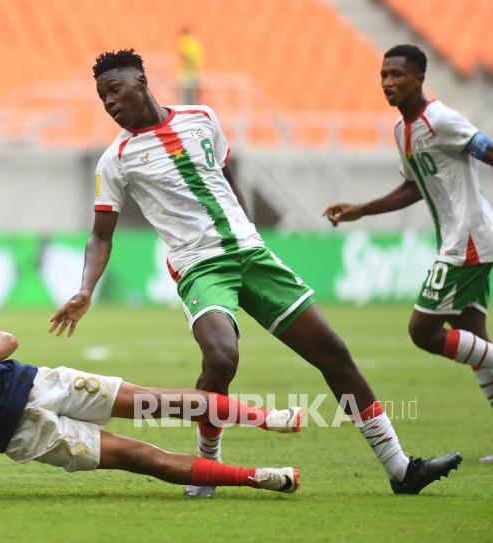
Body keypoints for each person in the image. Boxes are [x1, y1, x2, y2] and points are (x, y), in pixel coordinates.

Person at [48, 48, 462, 496]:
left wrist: (252, 236)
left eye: (115, 90)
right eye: (102, 97)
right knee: (222, 359)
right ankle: (207, 467)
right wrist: (86, 287)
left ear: (142, 83)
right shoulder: (116, 160)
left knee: (333, 353)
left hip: (252, 255)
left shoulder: (201, 117)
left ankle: (401, 469)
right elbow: (101, 235)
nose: (109, 103)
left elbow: (225, 177)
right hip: (200, 266)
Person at [0, 257, 306, 500]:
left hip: (41, 383)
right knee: (141, 457)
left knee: (153, 400)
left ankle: (270, 418)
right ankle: (259, 478)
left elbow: (5, 338)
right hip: (24, 435)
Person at [323, 45, 493, 461]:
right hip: (456, 240)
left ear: (418, 79)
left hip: (468, 242)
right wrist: (361, 209)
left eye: (397, 75)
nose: (388, 82)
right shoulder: (403, 131)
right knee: (476, 343)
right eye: (384, 75)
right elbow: (414, 187)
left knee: (423, 332)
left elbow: (488, 151)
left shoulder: (442, 120)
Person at [179, 28, 203, 105]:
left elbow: (184, 56)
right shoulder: (195, 42)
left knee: (188, 99)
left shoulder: (185, 41)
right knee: (193, 98)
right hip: (194, 73)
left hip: (188, 75)